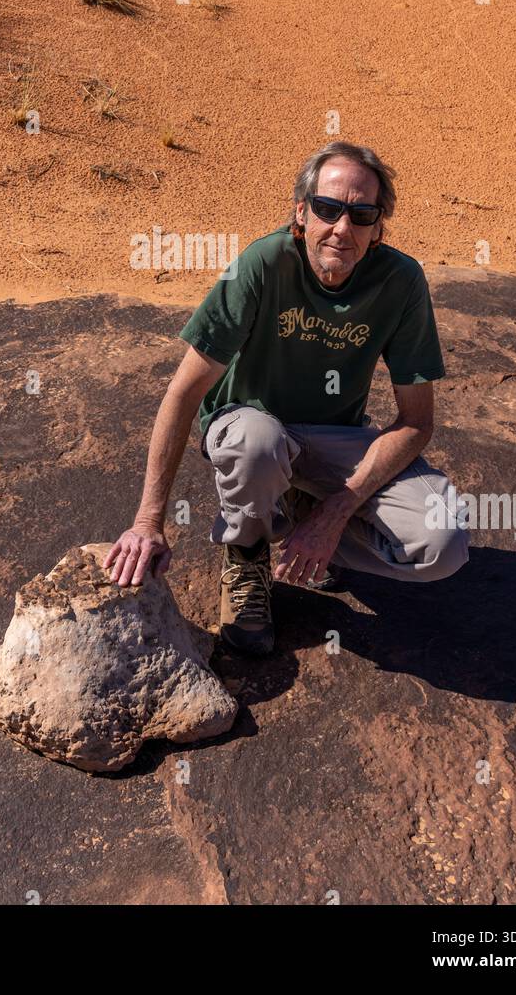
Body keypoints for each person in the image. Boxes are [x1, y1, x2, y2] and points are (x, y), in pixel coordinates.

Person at [104, 141, 469, 655]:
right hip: (250, 426)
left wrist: (335, 512)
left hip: (335, 434)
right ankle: (247, 551)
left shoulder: (401, 281)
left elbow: (416, 422)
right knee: (257, 441)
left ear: (378, 227)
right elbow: (184, 393)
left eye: (362, 214)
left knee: (443, 545)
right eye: (328, 208)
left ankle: (304, 516)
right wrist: (148, 522)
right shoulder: (262, 263)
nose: (342, 228)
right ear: (301, 211)